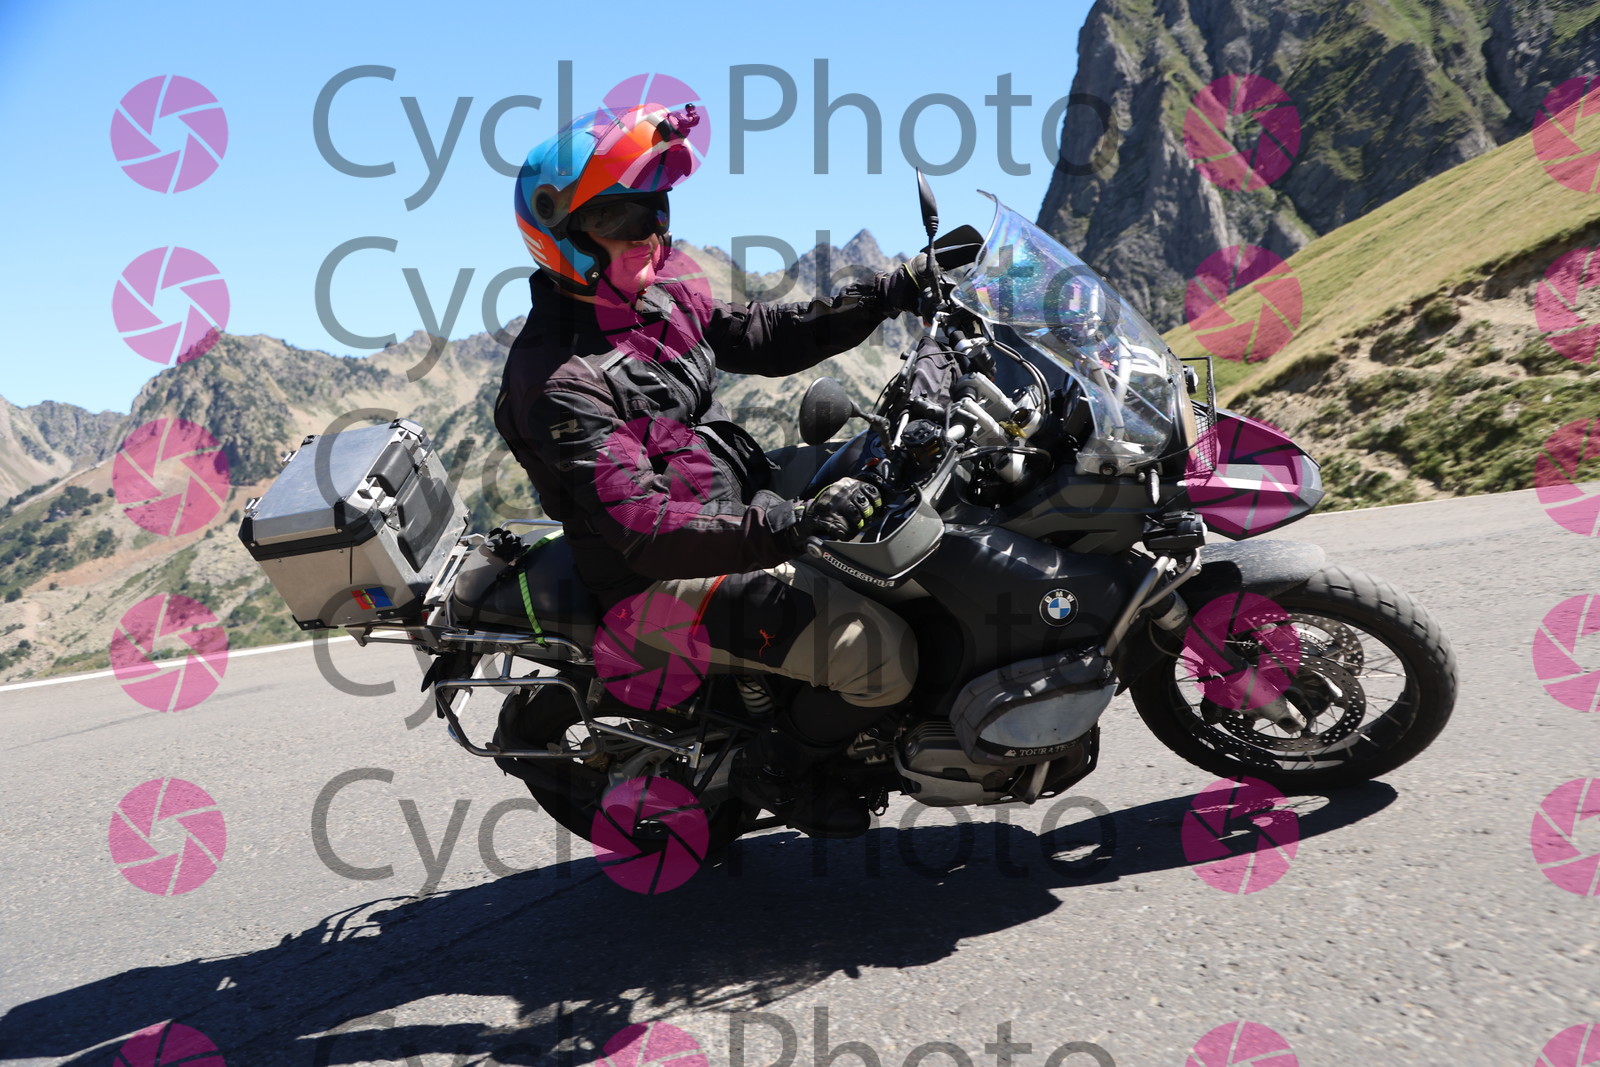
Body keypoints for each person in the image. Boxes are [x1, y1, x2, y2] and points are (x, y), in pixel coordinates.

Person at [493, 104, 943, 838]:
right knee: (882, 656)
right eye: (622, 217)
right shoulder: (558, 379)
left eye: (656, 210)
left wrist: (887, 294)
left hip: (732, 498)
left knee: (891, 479)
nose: (650, 232)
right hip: (656, 577)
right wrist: (790, 525)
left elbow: (764, 335)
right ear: (563, 234)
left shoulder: (657, 298)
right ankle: (779, 771)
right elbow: (645, 526)